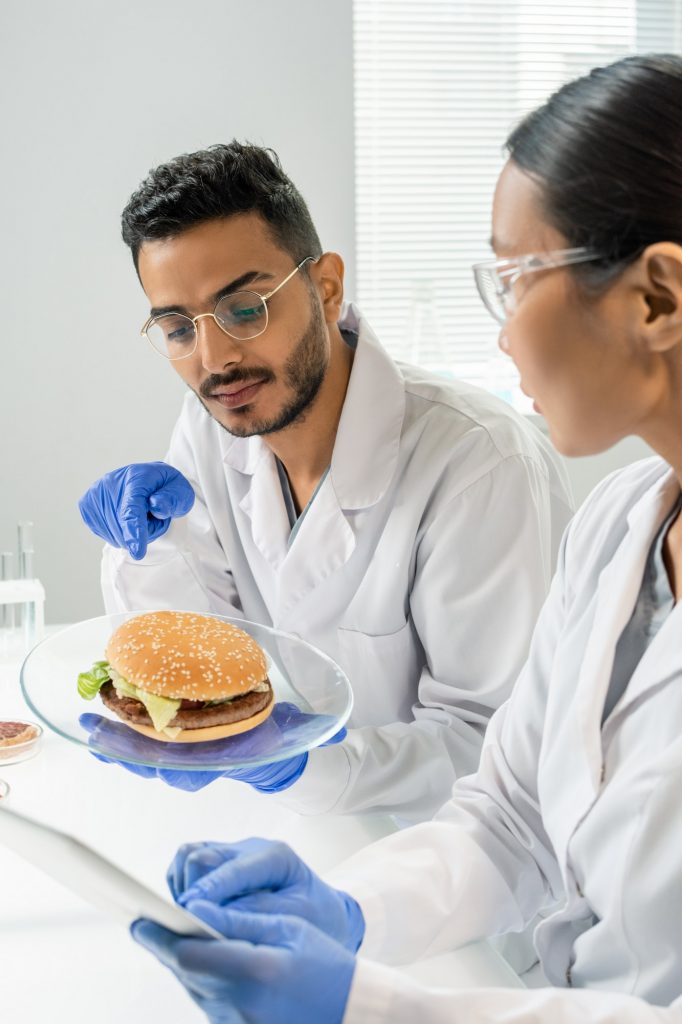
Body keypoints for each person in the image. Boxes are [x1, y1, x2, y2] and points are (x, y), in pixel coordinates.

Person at [131, 53, 682, 1022]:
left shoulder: (478, 458)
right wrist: (349, 909)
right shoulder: (618, 529)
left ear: (657, 298)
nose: (504, 332)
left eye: (514, 278)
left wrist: (366, 1005)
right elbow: (512, 814)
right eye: (178, 325)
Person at [78, 142, 571, 818]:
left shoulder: (479, 462)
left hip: (448, 872)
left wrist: (300, 769)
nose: (215, 359)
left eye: (244, 308)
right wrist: (144, 546)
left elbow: (492, 742)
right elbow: (193, 644)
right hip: (288, 840)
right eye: (176, 327)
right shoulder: (214, 425)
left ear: (328, 285)